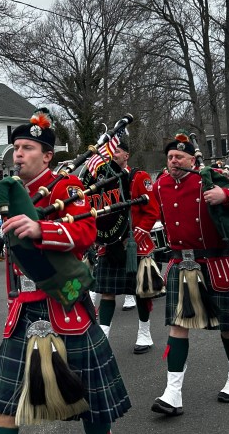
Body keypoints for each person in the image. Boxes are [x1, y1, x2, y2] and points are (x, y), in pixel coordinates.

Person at [0, 109, 130, 434]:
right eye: (16, 148)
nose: (19, 154)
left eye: (27, 148)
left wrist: (41, 229)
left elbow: (86, 232)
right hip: (24, 310)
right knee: (4, 409)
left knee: (94, 404)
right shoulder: (12, 192)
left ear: (47, 155)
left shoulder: (67, 186)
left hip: (64, 305)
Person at [151, 131, 229, 417]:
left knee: (228, 325)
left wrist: (226, 195)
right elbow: (149, 212)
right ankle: (173, 392)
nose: (174, 161)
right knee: (177, 327)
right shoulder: (160, 184)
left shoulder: (208, 178)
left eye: (179, 157)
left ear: (192, 159)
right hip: (181, 265)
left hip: (216, 263)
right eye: (170, 157)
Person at [92, 138, 160, 354]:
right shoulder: (100, 181)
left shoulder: (139, 177)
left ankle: (144, 333)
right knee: (107, 292)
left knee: (141, 292)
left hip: (134, 245)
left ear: (126, 155)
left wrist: (133, 238)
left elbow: (151, 211)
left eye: (117, 151)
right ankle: (103, 336)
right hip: (109, 244)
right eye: (110, 152)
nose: (112, 155)